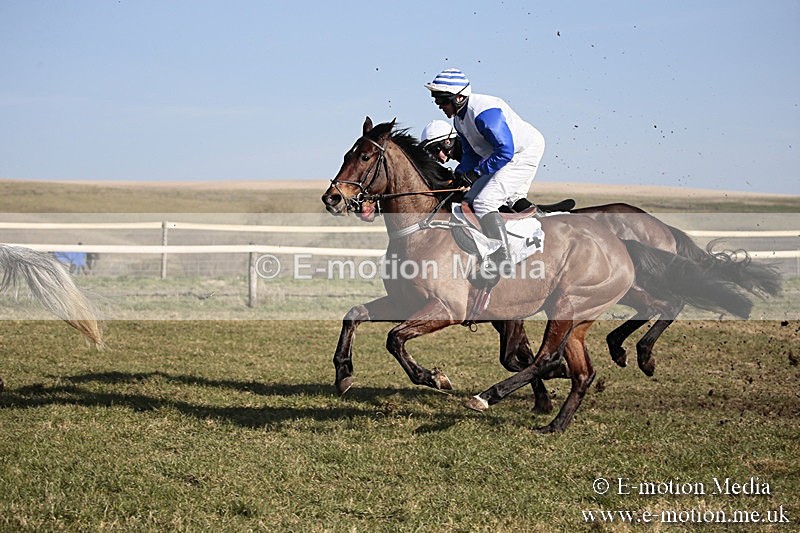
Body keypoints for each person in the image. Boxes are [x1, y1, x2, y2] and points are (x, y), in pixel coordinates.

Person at [425, 68, 546, 285]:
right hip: (505, 153)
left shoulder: (484, 114)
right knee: (475, 198)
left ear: (459, 97)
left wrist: (476, 173)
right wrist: (461, 175)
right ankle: (540, 221)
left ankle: (502, 259)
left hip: (521, 152)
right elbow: (471, 154)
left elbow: (505, 151)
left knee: (484, 202)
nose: (439, 106)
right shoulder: (459, 120)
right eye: (437, 101)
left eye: (442, 101)